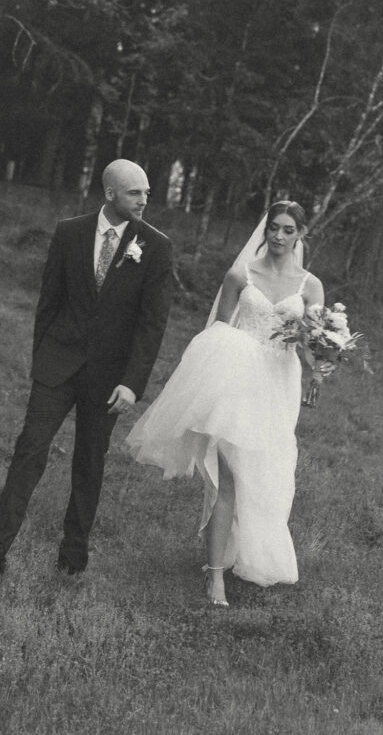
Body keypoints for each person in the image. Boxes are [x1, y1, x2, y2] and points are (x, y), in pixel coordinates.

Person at [0, 159, 173, 576]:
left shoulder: (155, 247)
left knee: (89, 462)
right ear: (110, 193)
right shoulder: (69, 232)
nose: (144, 200)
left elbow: (152, 327)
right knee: (30, 448)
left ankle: (72, 556)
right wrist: (42, 357)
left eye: (147, 192)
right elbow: (49, 301)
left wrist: (132, 384)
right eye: (135, 192)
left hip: (109, 379)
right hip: (57, 366)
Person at [125, 200, 323, 607]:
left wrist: (319, 366)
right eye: (274, 227)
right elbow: (219, 329)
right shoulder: (240, 274)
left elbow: (313, 341)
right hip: (234, 376)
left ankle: (249, 552)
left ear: (300, 235)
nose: (279, 236)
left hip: (278, 384)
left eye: (289, 230)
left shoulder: (310, 286)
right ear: (265, 229)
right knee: (226, 476)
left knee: (264, 473)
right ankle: (215, 576)